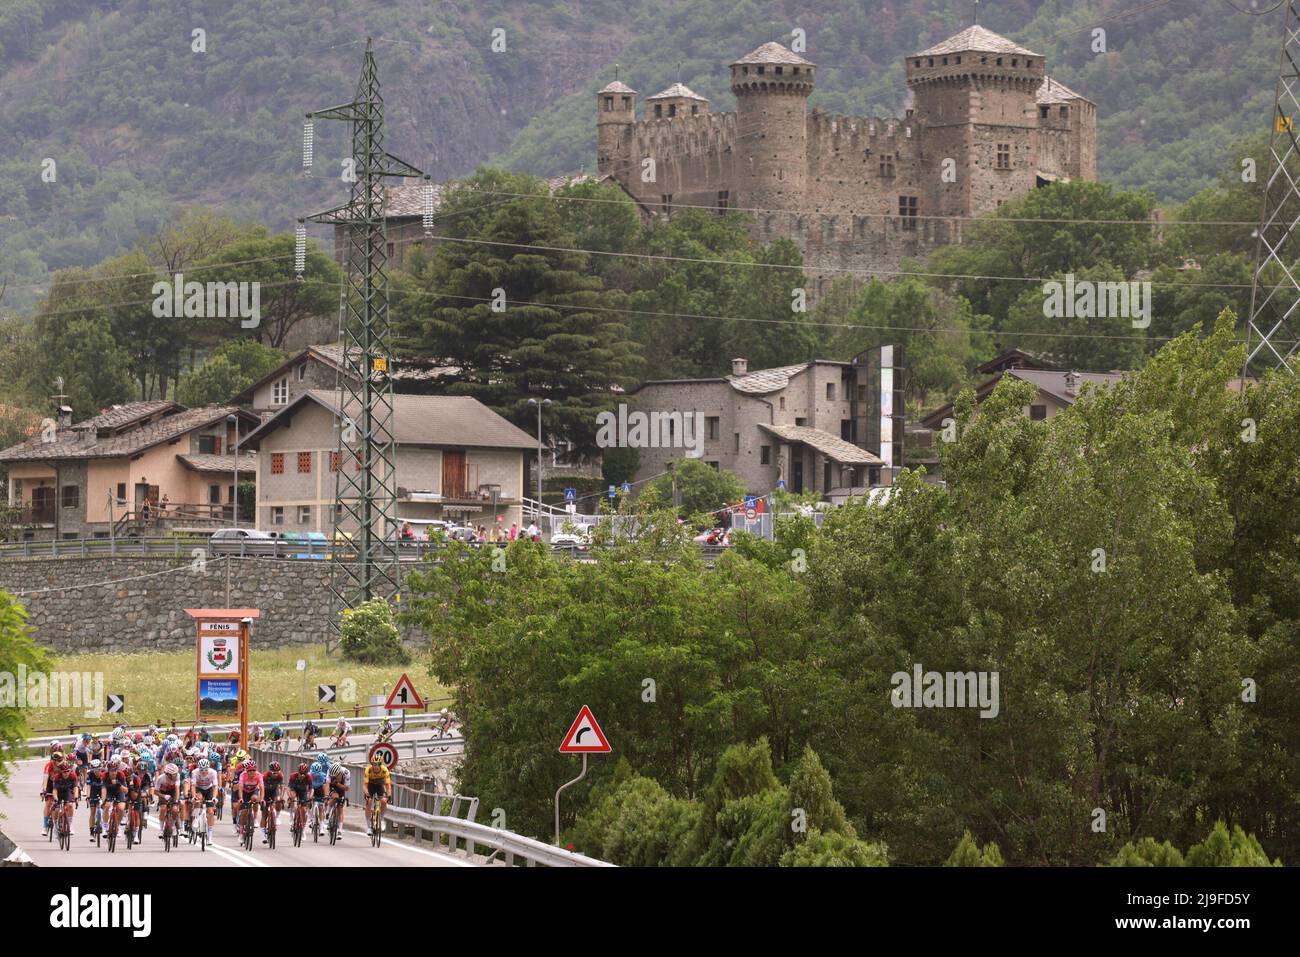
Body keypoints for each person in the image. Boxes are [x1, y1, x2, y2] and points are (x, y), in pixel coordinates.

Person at [364, 752, 391, 837]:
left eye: (377, 764)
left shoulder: (384, 770)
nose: (375, 766)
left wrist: (389, 795)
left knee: (383, 801)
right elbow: (365, 785)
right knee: (369, 801)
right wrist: (367, 793)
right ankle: (368, 826)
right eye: (374, 764)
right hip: (370, 786)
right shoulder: (368, 770)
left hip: (380, 785)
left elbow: (388, 785)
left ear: (380, 764)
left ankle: (381, 819)